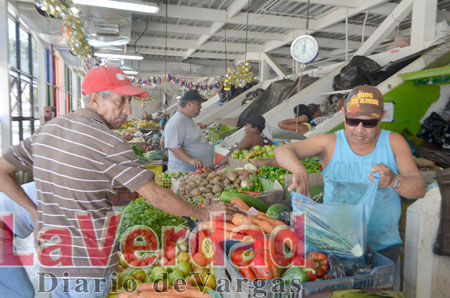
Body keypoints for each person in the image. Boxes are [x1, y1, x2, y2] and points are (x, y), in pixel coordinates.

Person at [0, 66, 238, 297]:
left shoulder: (48, 131)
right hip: (89, 265)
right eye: (121, 101)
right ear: (94, 99)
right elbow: (157, 196)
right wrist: (205, 213)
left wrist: (34, 212)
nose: (127, 110)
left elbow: (2, 170)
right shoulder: (108, 143)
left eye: (129, 102)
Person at [275, 85, 426, 291]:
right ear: (344, 114)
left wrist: (394, 181)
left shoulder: (393, 142)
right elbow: (283, 150)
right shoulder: (329, 142)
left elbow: (418, 189)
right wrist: (298, 168)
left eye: (370, 122)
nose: (360, 129)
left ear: (381, 117)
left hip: (382, 249)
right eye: (353, 121)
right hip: (336, 246)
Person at [164, 90, 214, 172]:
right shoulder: (176, 122)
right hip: (184, 172)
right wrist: (190, 160)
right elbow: (173, 147)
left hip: (197, 171)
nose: (201, 107)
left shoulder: (187, 119)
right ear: (190, 104)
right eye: (199, 104)